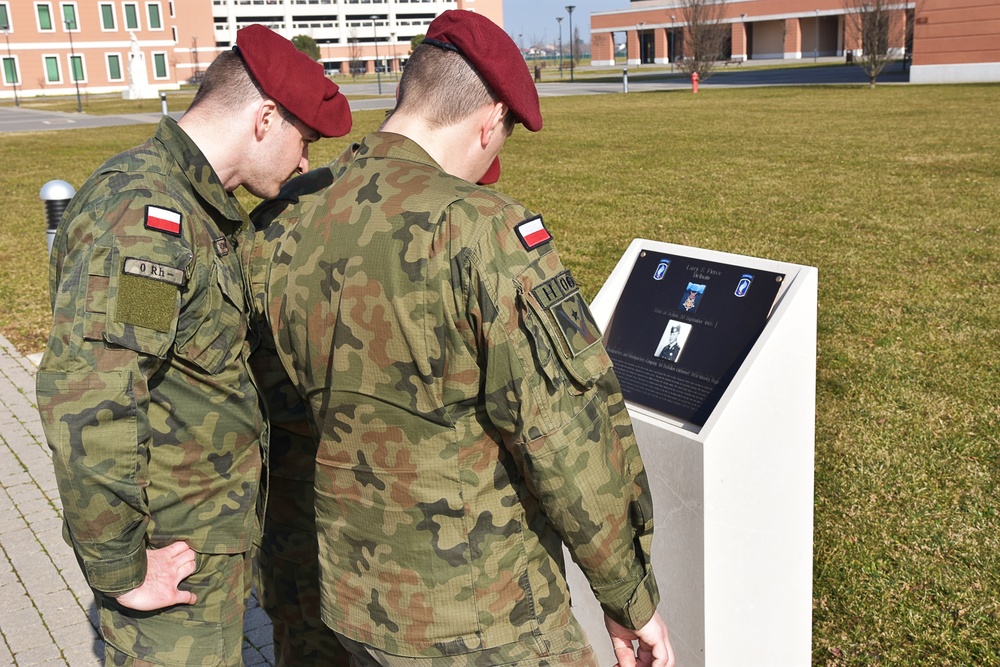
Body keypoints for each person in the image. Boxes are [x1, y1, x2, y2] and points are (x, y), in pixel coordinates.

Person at [262, 10, 675, 667]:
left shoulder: (287, 215)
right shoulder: (482, 231)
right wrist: (630, 596)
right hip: (483, 616)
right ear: (489, 122)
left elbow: (274, 412)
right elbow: (562, 433)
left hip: (344, 600)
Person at [34, 24, 351, 666]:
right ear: (264, 118)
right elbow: (94, 396)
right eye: (303, 142)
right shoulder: (148, 217)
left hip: (209, 537)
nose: (303, 165)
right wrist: (121, 566)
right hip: (171, 552)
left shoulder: (197, 206)